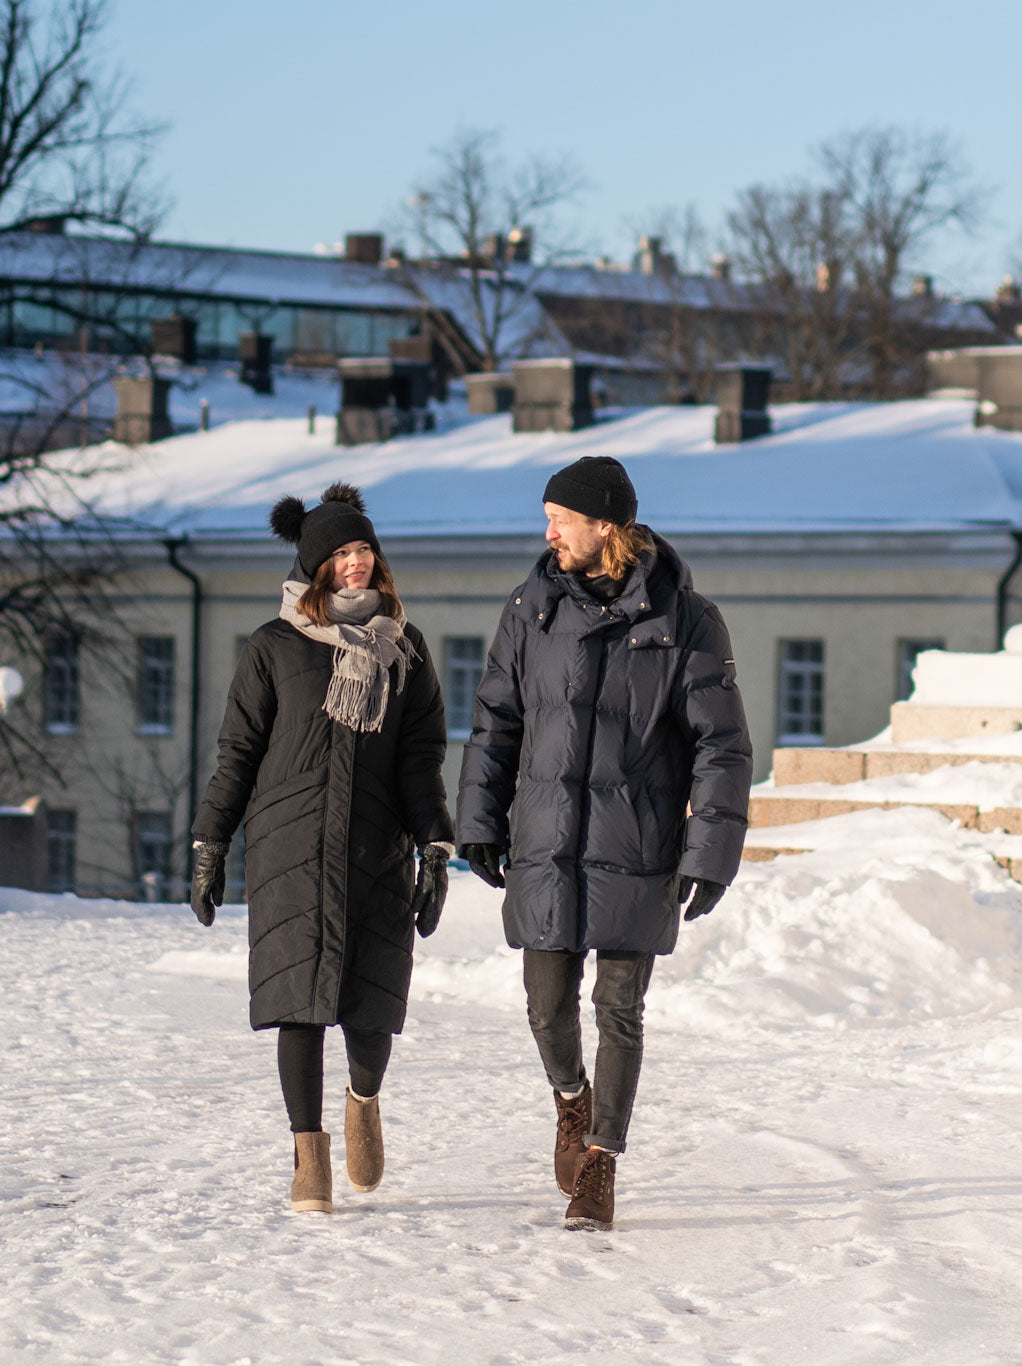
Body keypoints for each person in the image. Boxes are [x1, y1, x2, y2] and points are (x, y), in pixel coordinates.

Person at [457, 456, 753, 1231]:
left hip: (640, 841)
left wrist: (710, 854)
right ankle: (570, 1098)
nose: (548, 534)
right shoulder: (530, 609)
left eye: (561, 520)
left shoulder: (687, 619)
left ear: (604, 526)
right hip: (547, 837)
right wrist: (479, 820)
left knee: (619, 1007)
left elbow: (722, 747)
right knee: (545, 1004)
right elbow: (496, 724)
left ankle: (601, 1161)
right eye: (547, 519)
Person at [189, 483, 454, 1214]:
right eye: (340, 553)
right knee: (299, 1006)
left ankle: (363, 1101)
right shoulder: (274, 648)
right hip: (291, 849)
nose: (357, 562)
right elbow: (238, 754)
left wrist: (435, 847)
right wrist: (211, 842)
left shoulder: (405, 649)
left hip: (376, 848)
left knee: (371, 1007)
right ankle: (309, 1156)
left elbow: (420, 760)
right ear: (315, 567)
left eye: (364, 549)